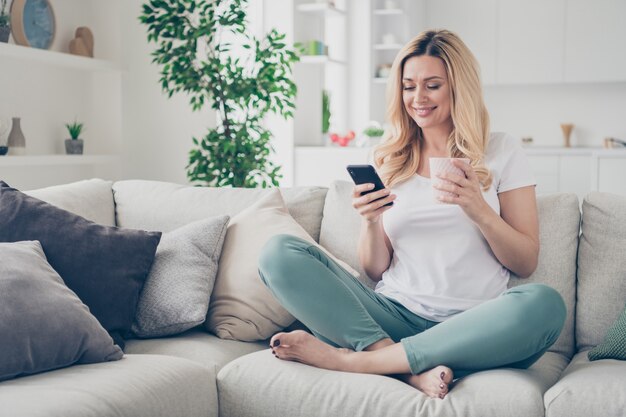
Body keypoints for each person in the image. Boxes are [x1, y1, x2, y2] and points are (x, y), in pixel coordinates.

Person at [257, 29, 566, 400]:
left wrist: (478, 209)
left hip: (475, 326)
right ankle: (400, 366)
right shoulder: (387, 158)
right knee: (278, 253)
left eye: (432, 85)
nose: (417, 98)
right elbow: (374, 270)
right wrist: (370, 221)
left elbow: (526, 261)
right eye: (408, 86)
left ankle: (357, 362)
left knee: (545, 304)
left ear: (458, 88)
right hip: (395, 316)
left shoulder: (501, 150)